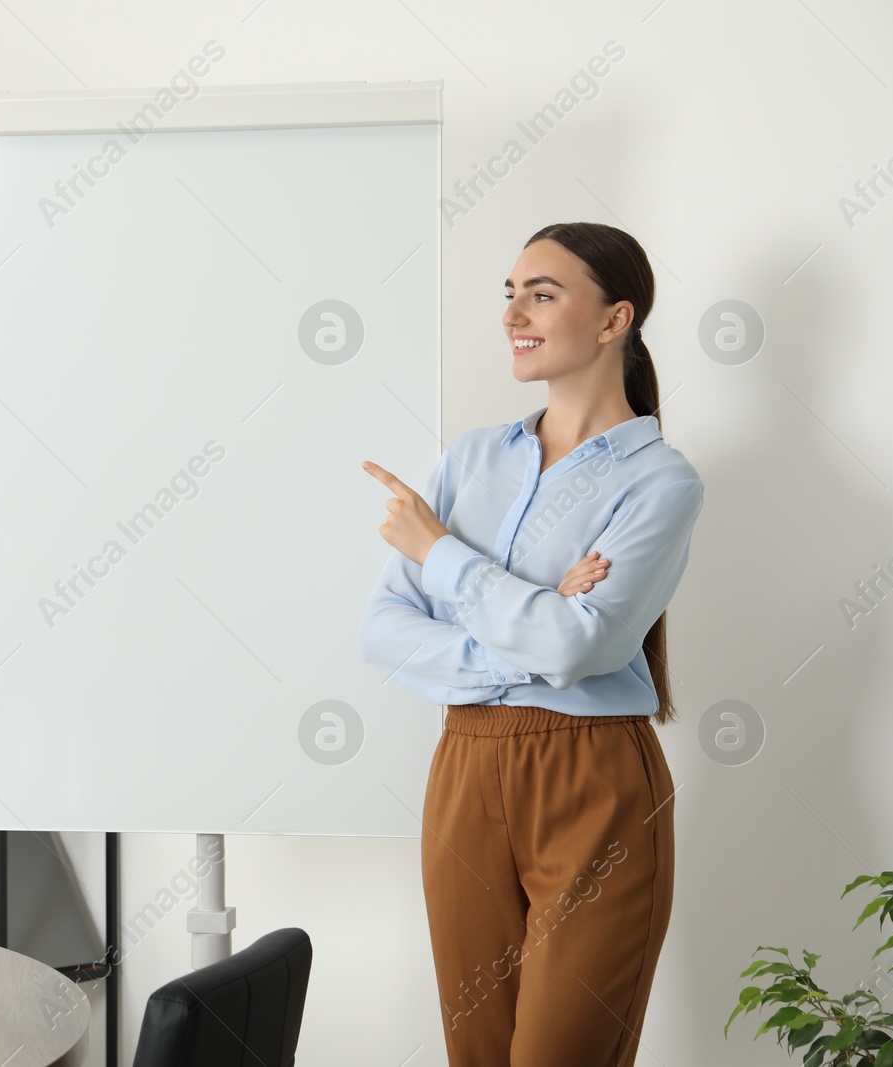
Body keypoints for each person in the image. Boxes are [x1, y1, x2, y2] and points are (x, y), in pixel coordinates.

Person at [355, 221, 705, 1067]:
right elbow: (385, 633)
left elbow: (584, 650)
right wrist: (539, 622)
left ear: (615, 319)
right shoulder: (468, 462)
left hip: (594, 781)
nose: (515, 310)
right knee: (475, 1054)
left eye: (542, 293)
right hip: (465, 769)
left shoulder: (660, 481)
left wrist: (441, 556)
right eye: (510, 292)